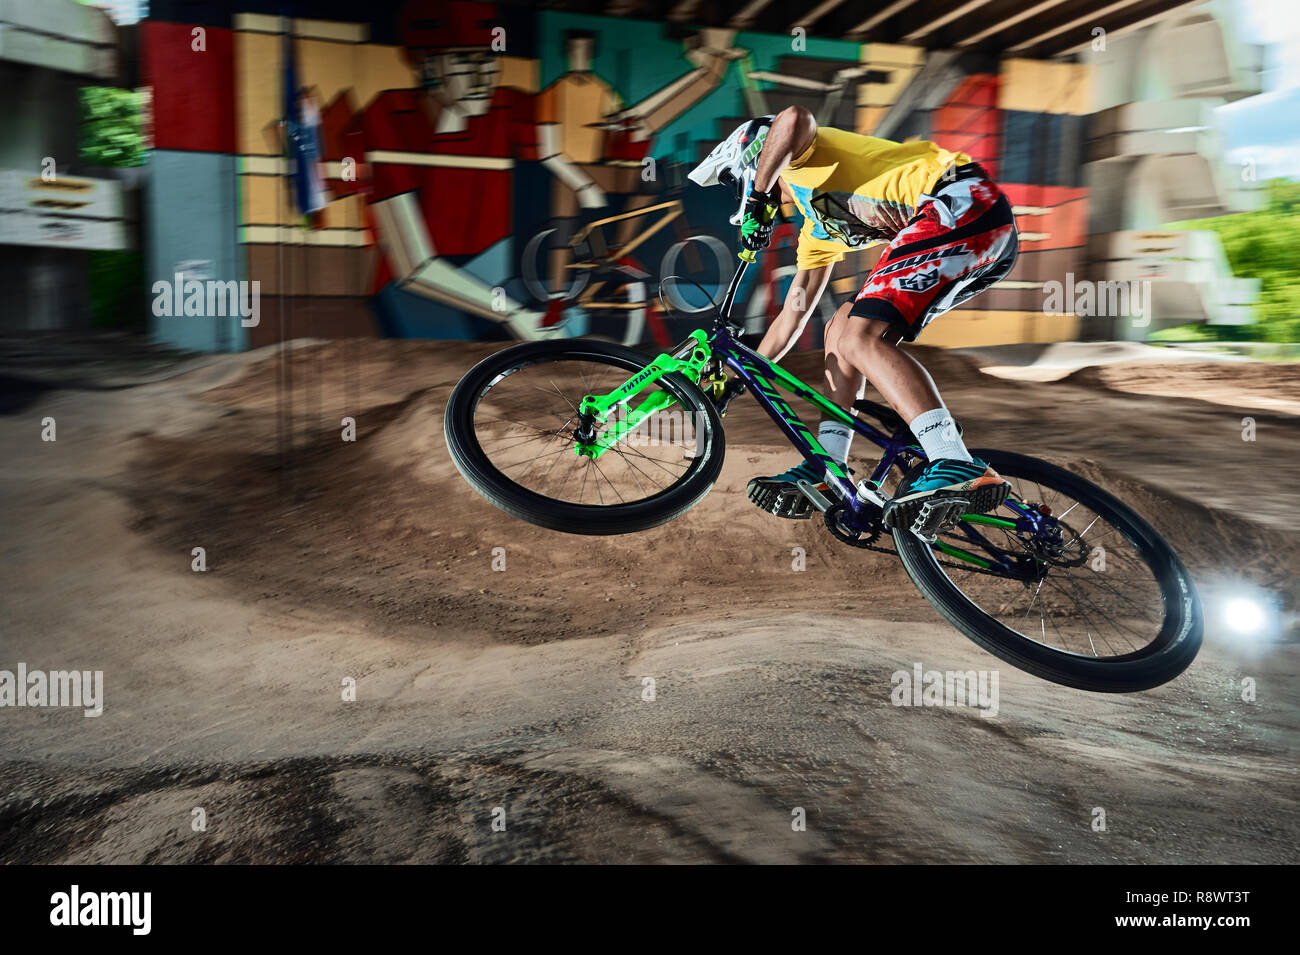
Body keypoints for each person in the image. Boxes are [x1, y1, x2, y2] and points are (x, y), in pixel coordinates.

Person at [687, 107, 1016, 528]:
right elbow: (794, 313)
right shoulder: (818, 228)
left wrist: (759, 193)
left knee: (860, 338)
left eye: (737, 180)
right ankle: (829, 468)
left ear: (757, 156)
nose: (739, 193)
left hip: (960, 203)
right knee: (840, 327)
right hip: (969, 226)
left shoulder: (803, 157)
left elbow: (793, 119)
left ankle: (952, 459)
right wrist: (737, 378)